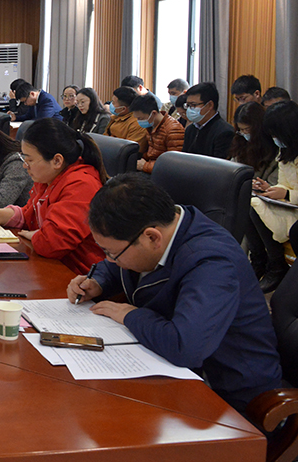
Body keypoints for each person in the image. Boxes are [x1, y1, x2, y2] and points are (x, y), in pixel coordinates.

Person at [67, 173, 281, 415]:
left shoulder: (212, 263)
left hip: (229, 397)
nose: (110, 259)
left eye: (111, 253)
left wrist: (129, 315)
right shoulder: (158, 228)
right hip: (171, 370)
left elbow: (185, 346)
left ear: (152, 237)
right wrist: (97, 281)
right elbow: (121, 263)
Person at [0, 118, 107, 274]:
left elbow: (50, 244)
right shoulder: (48, 178)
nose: (25, 165)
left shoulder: (81, 185)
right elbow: (27, 215)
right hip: (49, 265)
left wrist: (36, 234)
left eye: (29, 159)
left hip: (77, 274)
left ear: (57, 161)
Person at [249, 101, 298, 292]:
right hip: (289, 204)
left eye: (276, 134)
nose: (274, 139)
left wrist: (286, 193)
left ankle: (277, 266)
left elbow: (288, 189)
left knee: (255, 207)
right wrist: (270, 188)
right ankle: (261, 261)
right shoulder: (285, 151)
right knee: (249, 203)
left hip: (293, 206)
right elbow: (285, 182)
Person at [227, 101, 279, 187]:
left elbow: (273, 183)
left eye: (247, 129)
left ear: (258, 127)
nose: (244, 133)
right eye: (241, 130)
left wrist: (258, 185)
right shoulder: (240, 141)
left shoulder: (273, 147)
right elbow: (232, 168)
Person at [130, 94, 183, 174]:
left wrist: (145, 166)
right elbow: (152, 153)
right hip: (152, 167)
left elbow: (174, 164)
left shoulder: (173, 129)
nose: (139, 121)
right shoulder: (152, 125)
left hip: (162, 173)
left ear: (153, 113)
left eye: (140, 118)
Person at [181, 82, 235, 159]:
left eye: (193, 105)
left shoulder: (225, 132)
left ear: (210, 105)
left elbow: (219, 164)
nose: (189, 109)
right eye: (188, 105)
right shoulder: (190, 130)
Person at [105, 86, 148, 154]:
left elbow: (131, 150)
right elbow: (104, 138)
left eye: (114, 102)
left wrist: (112, 141)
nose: (111, 104)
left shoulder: (138, 123)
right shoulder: (116, 116)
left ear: (123, 109)